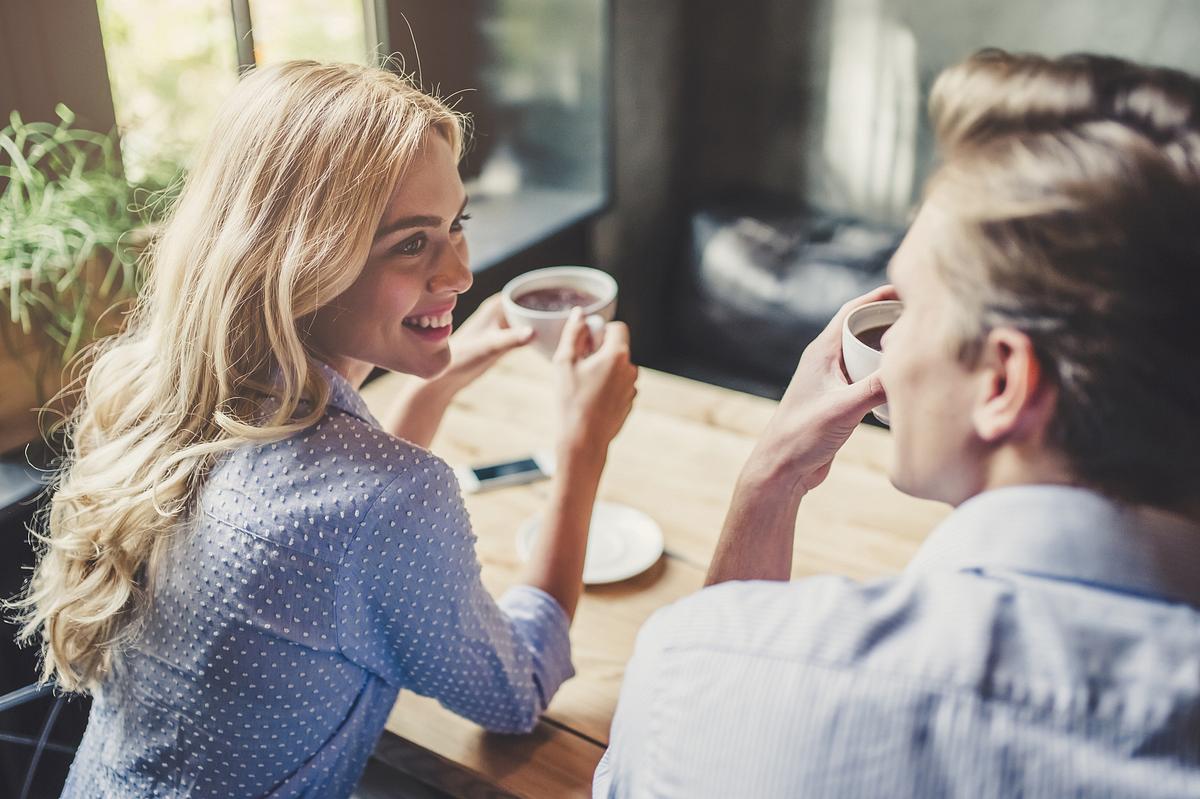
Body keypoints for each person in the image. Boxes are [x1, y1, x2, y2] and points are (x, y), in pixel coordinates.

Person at [12, 60, 637, 798]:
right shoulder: (390, 498)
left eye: (456, 224)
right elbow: (516, 689)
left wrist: (440, 378)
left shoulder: (165, 398)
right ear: (300, 260)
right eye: (412, 242)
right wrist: (582, 448)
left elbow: (335, 511)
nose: (461, 273)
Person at [595, 49, 1200, 798]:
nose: (892, 336)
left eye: (910, 305)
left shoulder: (707, 673)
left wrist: (764, 479)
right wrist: (773, 478)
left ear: (1004, 382)